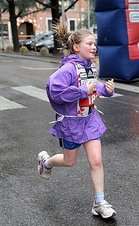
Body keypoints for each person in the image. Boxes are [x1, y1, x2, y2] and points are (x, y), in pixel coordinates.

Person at [37, 23, 117, 219]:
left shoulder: (90, 67)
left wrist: (105, 90)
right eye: (89, 43)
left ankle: (99, 202)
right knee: (69, 161)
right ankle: (46, 162)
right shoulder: (68, 69)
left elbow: (92, 86)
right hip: (71, 124)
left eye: (95, 44)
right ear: (76, 47)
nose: (94, 47)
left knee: (96, 160)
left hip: (90, 120)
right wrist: (83, 91)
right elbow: (54, 91)